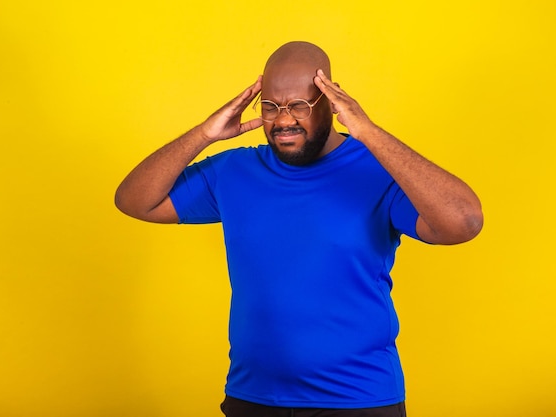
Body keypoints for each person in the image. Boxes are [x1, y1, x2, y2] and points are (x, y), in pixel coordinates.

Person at [115, 41, 483, 417]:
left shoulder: (378, 172)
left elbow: (463, 222)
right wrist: (204, 134)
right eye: (271, 107)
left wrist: (368, 133)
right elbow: (135, 201)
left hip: (358, 400)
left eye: (299, 106)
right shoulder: (233, 172)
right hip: (253, 397)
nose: (283, 120)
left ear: (330, 101)